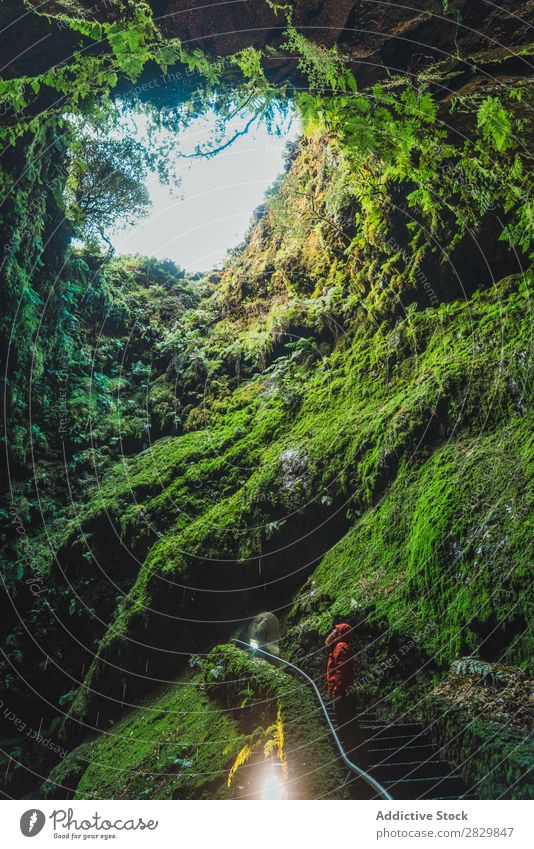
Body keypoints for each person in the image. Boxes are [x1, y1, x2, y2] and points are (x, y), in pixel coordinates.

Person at [325, 623, 367, 767]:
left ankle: (354, 761)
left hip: (343, 695)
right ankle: (358, 760)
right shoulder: (337, 647)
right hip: (344, 694)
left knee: (347, 728)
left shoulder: (340, 647)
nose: (331, 632)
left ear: (340, 634)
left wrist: (337, 692)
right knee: (350, 726)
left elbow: (341, 672)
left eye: (335, 630)